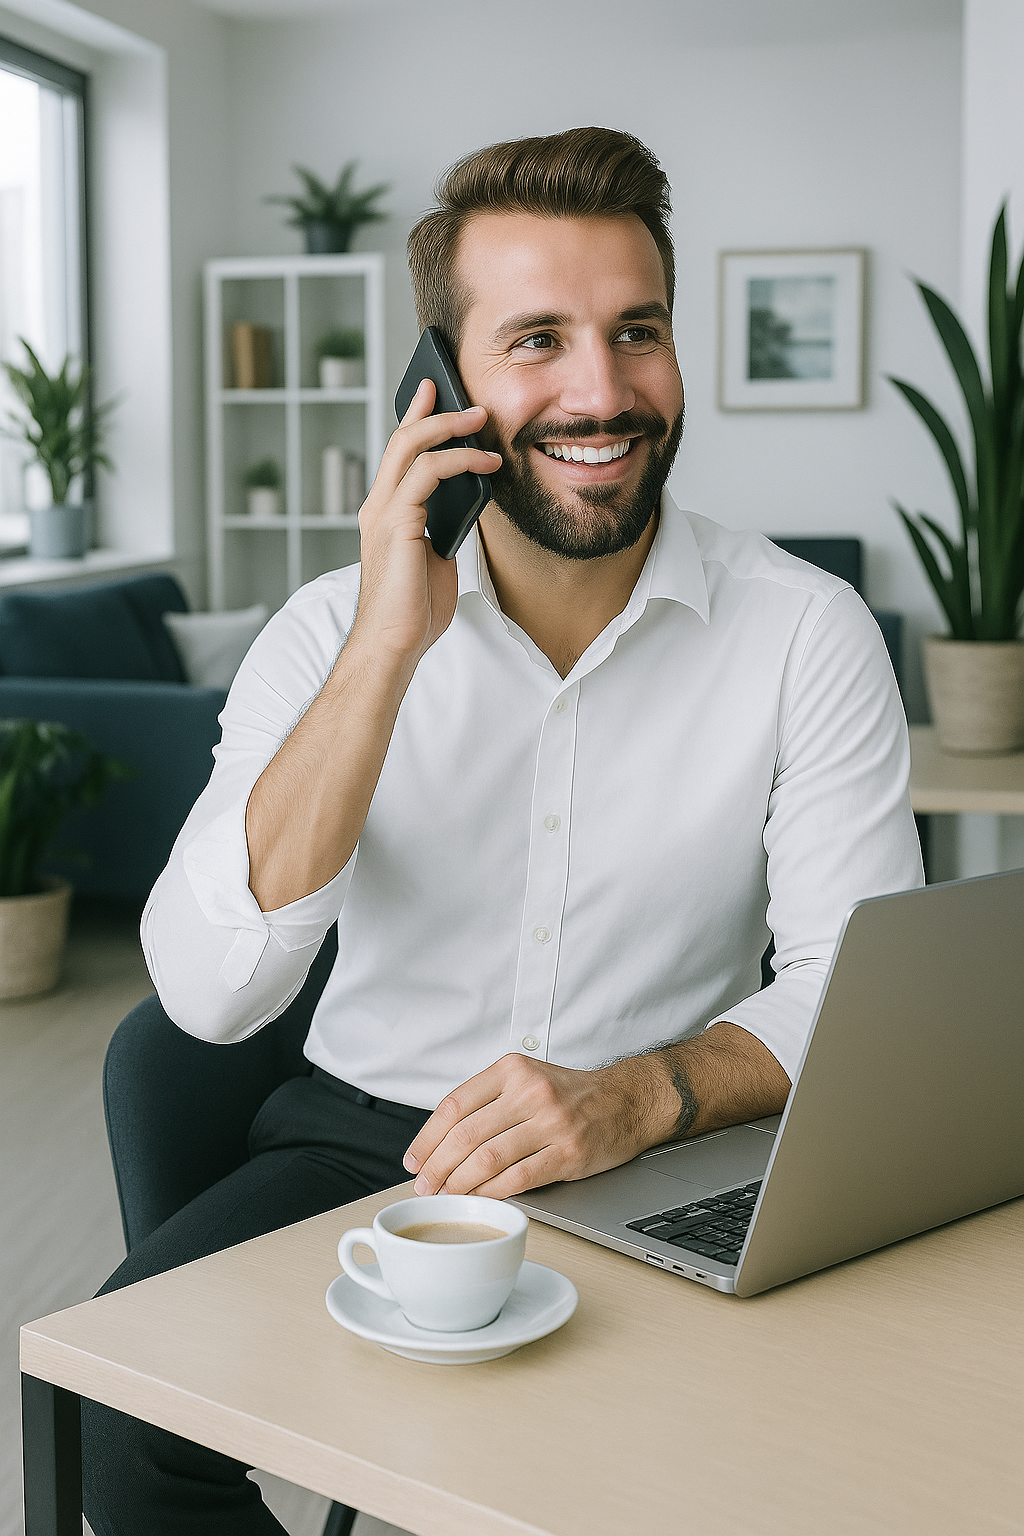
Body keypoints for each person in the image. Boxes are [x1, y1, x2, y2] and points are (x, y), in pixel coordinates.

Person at [83, 127, 922, 1534]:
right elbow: (212, 995)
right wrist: (384, 650)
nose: (602, 390)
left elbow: (859, 983)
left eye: (636, 331)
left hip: (666, 1159)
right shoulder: (326, 636)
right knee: (119, 1415)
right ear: (448, 387)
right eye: (537, 339)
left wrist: (641, 1093)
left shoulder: (804, 634)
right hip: (366, 1155)